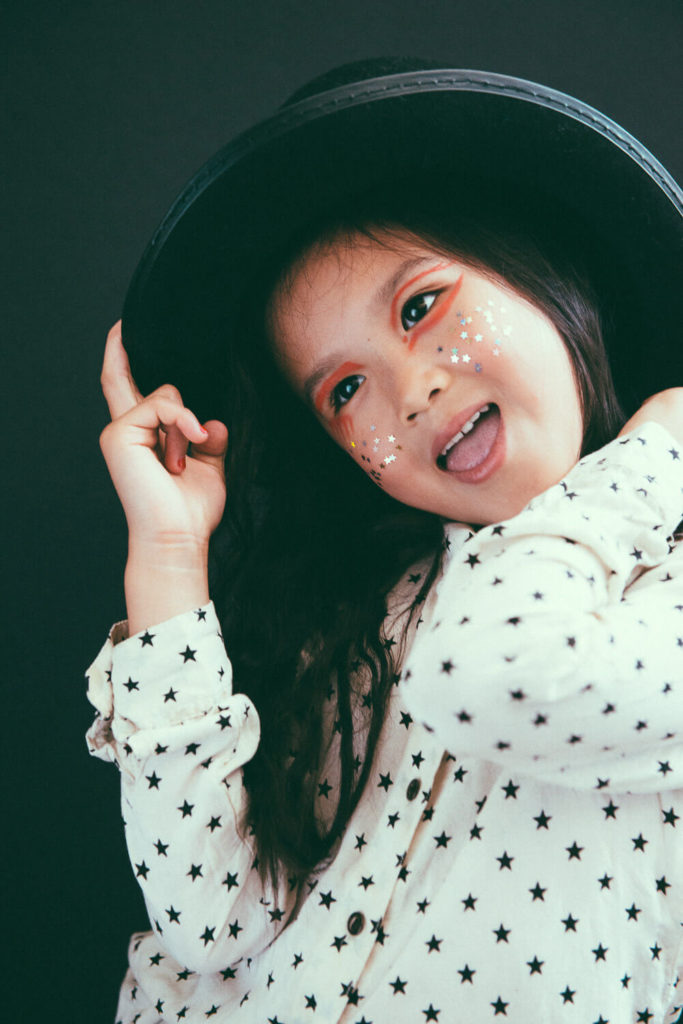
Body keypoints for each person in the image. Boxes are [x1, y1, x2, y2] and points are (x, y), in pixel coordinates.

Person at [87, 60, 683, 1023]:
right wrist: (166, 555)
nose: (406, 393)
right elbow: (208, 922)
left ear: (543, 272)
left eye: (420, 307)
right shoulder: (367, 622)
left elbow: (507, 672)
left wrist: (660, 442)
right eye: (343, 390)